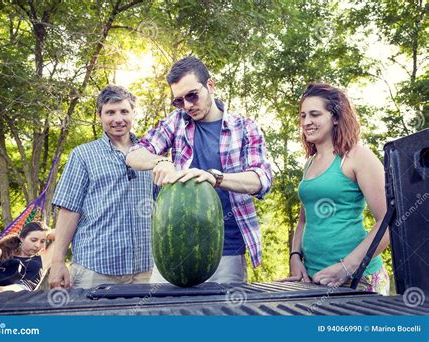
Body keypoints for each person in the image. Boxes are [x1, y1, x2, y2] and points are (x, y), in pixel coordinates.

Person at [126, 56, 272, 284]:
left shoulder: (245, 127)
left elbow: (261, 180)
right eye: (179, 101)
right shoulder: (176, 122)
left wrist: (216, 178)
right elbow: (134, 154)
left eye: (193, 95)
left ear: (210, 86)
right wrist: (159, 162)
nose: (187, 105)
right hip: (173, 252)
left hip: (226, 251)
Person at [278, 83, 390, 295]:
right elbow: (304, 220)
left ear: (336, 117)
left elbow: (388, 222)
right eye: (302, 116)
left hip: (358, 279)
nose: (306, 122)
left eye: (314, 114)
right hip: (314, 279)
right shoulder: (309, 164)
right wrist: (295, 256)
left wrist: (347, 267)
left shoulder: (357, 156)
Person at [49, 85, 154, 289]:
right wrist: (57, 262)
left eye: (124, 111)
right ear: (99, 115)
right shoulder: (83, 155)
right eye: (110, 112)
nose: (118, 119)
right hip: (95, 269)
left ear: (133, 113)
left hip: (145, 269)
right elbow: (69, 210)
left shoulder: (150, 154)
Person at [0, 221, 55, 292]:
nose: (38, 245)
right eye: (33, 240)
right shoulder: (5, 252)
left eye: (42, 241)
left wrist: (46, 233)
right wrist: (6, 242)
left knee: (12, 289)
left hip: (19, 293)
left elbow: (64, 234)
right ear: (22, 238)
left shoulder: (43, 259)